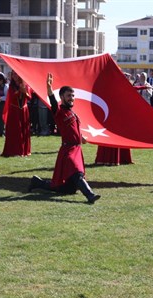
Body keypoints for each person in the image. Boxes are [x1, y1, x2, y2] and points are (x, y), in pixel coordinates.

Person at [28, 73, 100, 204]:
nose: (71, 98)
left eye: (73, 96)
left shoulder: (71, 112)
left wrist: (81, 137)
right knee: (76, 172)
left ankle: (37, 182)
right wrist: (49, 88)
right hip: (68, 149)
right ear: (62, 97)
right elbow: (53, 102)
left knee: (67, 189)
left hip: (77, 148)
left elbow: (73, 128)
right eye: (68, 96)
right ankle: (90, 195)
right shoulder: (59, 112)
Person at [2, 71, 32, 157]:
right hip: (14, 111)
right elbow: (12, 97)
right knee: (15, 131)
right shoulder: (11, 86)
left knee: (24, 130)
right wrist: (20, 91)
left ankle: (24, 150)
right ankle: (14, 151)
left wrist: (24, 92)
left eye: (16, 74)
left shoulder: (26, 85)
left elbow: (29, 97)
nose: (15, 76)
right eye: (13, 74)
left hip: (24, 111)